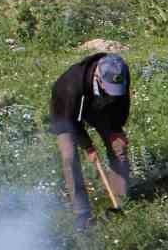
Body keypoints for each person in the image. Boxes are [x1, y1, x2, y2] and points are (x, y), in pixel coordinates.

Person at [48, 51, 130, 229]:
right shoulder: (70, 86)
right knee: (69, 157)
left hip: (100, 106)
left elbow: (122, 102)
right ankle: (82, 213)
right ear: (99, 78)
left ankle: (120, 200)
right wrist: (88, 147)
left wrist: (116, 128)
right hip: (66, 112)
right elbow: (72, 123)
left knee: (119, 148)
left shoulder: (120, 71)